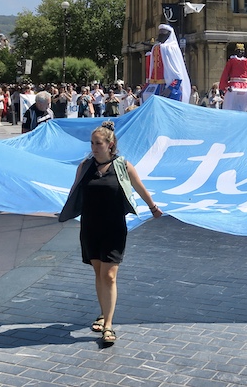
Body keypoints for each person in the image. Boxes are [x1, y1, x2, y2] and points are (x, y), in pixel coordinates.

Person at [58, 121, 163, 346]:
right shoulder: (85, 166)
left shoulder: (122, 166)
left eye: (98, 143)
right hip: (90, 226)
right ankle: (104, 311)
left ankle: (108, 325)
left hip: (114, 227)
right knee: (98, 273)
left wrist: (153, 207)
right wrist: (66, 211)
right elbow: (75, 191)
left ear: (110, 144)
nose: (94, 147)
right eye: (92, 143)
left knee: (109, 275)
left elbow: (139, 187)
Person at [141, 24, 192, 103]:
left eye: (163, 32)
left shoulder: (171, 48)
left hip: (166, 84)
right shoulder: (156, 47)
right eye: (160, 32)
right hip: (154, 84)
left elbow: (176, 71)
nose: (160, 34)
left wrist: (171, 88)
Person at [220, 43, 247, 111]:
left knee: (245, 104)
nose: (240, 52)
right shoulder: (231, 61)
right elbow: (225, 73)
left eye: (242, 51)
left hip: (245, 86)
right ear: (236, 51)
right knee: (231, 104)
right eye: (239, 50)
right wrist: (225, 86)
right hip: (233, 85)